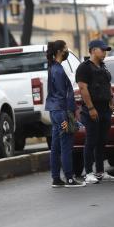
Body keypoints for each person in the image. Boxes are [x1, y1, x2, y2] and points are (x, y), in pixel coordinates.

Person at [76, 40, 114, 184]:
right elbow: (83, 88)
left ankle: (100, 171)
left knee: (102, 141)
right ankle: (88, 172)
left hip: (105, 108)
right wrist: (91, 108)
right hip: (92, 109)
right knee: (91, 141)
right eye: (103, 50)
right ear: (93, 50)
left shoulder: (103, 67)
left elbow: (107, 84)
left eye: (106, 50)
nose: (105, 52)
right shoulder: (84, 68)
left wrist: (111, 99)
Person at [45, 40, 86, 188]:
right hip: (61, 111)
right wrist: (66, 116)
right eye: (66, 49)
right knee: (66, 145)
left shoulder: (53, 68)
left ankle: (56, 178)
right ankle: (69, 178)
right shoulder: (58, 70)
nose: (67, 51)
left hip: (54, 111)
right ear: (59, 52)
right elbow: (62, 95)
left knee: (56, 147)